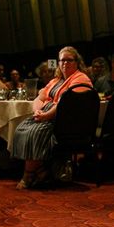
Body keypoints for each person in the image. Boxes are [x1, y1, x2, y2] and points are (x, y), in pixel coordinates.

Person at [11, 46, 91, 189]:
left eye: (69, 60)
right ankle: (41, 170)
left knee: (35, 132)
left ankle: (28, 174)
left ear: (77, 62)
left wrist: (46, 115)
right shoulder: (56, 80)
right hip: (46, 114)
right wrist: (38, 112)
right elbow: (39, 98)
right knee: (21, 128)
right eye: (62, 60)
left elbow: (65, 104)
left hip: (64, 120)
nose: (65, 63)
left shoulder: (81, 78)